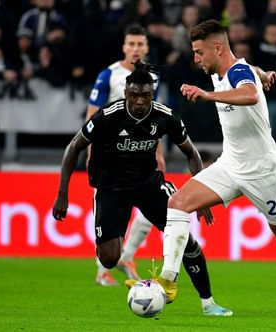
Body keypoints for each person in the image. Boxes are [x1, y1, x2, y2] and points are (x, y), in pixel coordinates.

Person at [156, 19, 276, 325]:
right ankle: (168, 281)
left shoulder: (237, 74)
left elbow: (250, 94)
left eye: (200, 52)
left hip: (264, 171)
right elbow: (249, 71)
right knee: (176, 204)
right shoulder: (230, 68)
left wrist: (208, 95)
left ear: (217, 47)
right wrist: (264, 73)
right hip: (231, 165)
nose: (196, 59)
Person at [52, 61, 232, 316]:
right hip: (111, 187)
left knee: (187, 241)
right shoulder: (108, 116)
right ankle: (130, 265)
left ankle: (208, 302)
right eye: (134, 95)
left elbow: (192, 153)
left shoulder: (165, 116)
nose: (139, 101)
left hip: (149, 184)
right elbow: (73, 147)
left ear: (152, 94)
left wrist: (201, 196)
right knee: (108, 258)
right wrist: (62, 193)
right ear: (126, 93)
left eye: (145, 95)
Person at [86, 23, 164, 286]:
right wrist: (90, 152)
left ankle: (126, 257)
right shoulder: (107, 75)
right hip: (110, 158)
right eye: (131, 44)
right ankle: (103, 270)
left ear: (147, 47)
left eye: (140, 44)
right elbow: (91, 115)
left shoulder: (153, 77)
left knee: (147, 213)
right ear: (124, 47)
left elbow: (155, 119)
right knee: (111, 215)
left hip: (142, 155)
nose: (135, 49)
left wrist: (159, 152)